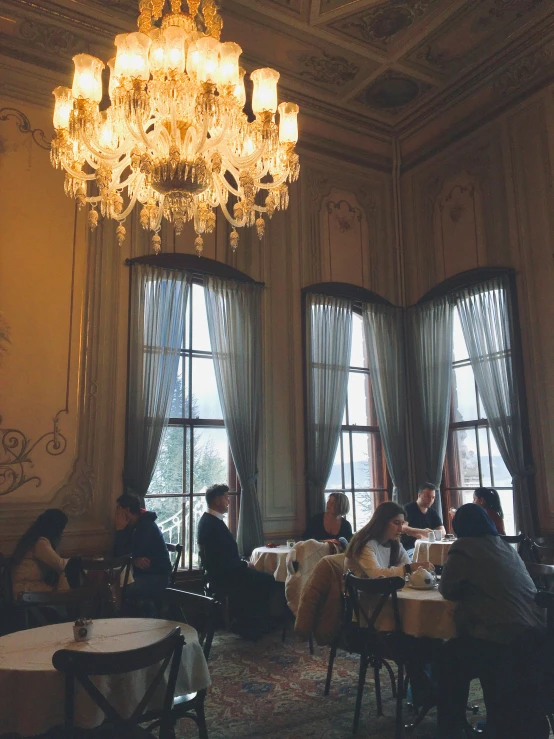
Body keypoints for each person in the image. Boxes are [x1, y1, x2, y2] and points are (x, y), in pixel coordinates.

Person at [436, 504, 547, 739]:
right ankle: (495, 718)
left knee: (446, 656)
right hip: (535, 636)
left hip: (502, 641)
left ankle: (450, 727)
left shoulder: (463, 547)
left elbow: (446, 589)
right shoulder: (505, 546)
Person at [197, 483, 279, 631]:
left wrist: (242, 561)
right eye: (226, 498)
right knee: (268, 580)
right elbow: (224, 560)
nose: (229, 501)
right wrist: (245, 564)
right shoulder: (213, 524)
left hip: (219, 573)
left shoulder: (208, 521)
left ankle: (248, 621)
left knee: (259, 576)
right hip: (225, 576)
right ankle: (251, 625)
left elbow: (224, 553)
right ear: (217, 501)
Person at [345, 501, 434, 579]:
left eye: (402, 524)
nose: (400, 529)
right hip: (362, 595)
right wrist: (408, 568)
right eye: (396, 523)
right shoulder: (365, 543)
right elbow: (377, 575)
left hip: (382, 591)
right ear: (382, 522)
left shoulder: (394, 543)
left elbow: (407, 564)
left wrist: (415, 567)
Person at [113, 493, 171, 604]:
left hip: (157, 578)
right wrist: (134, 560)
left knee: (121, 588)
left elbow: (124, 557)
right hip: (144, 575)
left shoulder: (146, 526)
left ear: (127, 511)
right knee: (113, 586)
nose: (116, 514)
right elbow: (123, 556)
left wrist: (120, 530)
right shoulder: (134, 526)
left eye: (118, 509)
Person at [11, 508, 73, 596]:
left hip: (23, 588)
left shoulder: (33, 538)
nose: (61, 533)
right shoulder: (40, 543)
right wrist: (75, 561)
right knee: (66, 576)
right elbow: (60, 564)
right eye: (61, 529)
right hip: (27, 590)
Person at [401, 483, 446, 552]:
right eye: (427, 496)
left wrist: (428, 535)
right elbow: (403, 527)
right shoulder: (408, 508)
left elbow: (443, 532)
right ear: (419, 495)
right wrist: (422, 532)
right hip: (410, 548)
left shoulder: (433, 512)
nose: (430, 500)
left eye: (433, 497)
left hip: (429, 548)